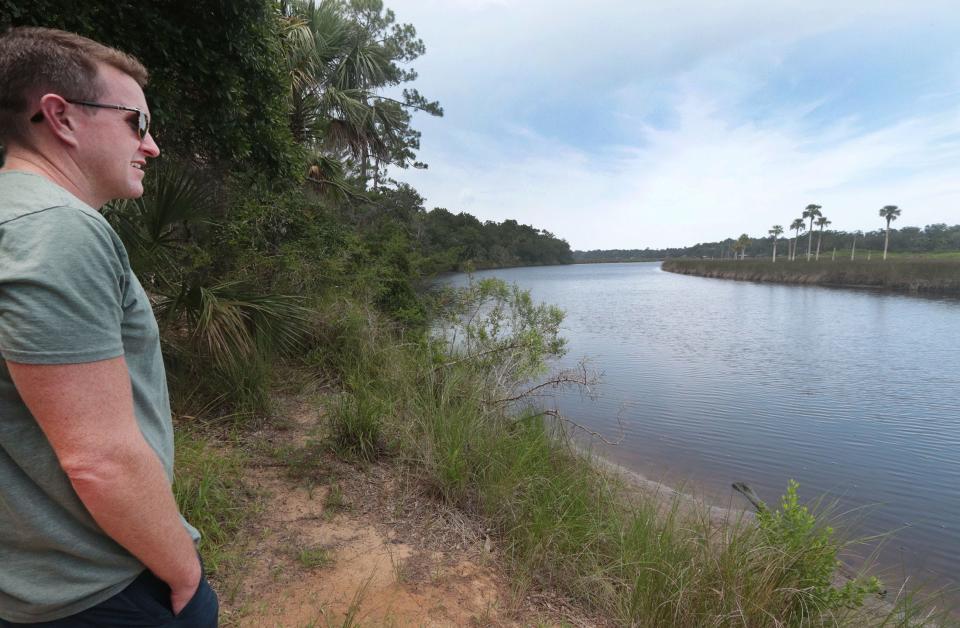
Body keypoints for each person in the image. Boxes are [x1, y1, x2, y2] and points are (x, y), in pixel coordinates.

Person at [0, 27, 218, 626]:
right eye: (137, 124)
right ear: (61, 117)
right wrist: (183, 571)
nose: (151, 147)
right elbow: (99, 458)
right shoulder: (59, 230)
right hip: (98, 588)